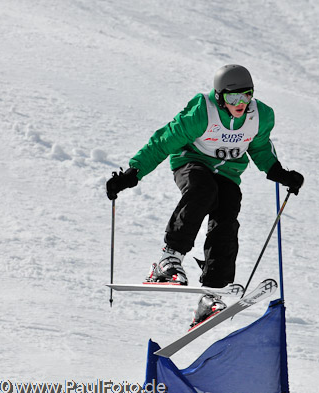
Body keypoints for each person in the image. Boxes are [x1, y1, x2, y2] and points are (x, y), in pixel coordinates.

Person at [106, 64, 303, 327]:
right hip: (192, 162)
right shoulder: (202, 111)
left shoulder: (261, 116)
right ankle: (169, 259)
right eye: (233, 97)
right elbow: (164, 140)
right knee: (202, 191)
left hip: (228, 174)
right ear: (220, 96)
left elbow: (259, 148)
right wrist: (133, 173)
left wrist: (279, 172)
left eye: (247, 95)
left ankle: (212, 292)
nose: (241, 103)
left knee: (227, 218)